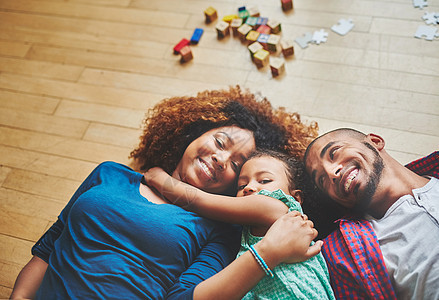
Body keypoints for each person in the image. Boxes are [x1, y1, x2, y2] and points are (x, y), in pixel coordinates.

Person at [10, 86, 321, 300]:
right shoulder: (109, 173)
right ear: (193, 133)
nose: (221, 159)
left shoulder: (220, 229)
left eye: (236, 166)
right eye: (220, 142)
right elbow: (49, 248)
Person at [144, 149, 336, 299]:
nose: (250, 187)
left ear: (296, 197)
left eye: (265, 180)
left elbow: (200, 201)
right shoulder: (247, 231)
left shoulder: (276, 207)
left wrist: (161, 179)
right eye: (241, 186)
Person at [303, 128, 439, 300]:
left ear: (375, 142)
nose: (331, 173)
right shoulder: (343, 257)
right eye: (322, 180)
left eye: (334, 152)